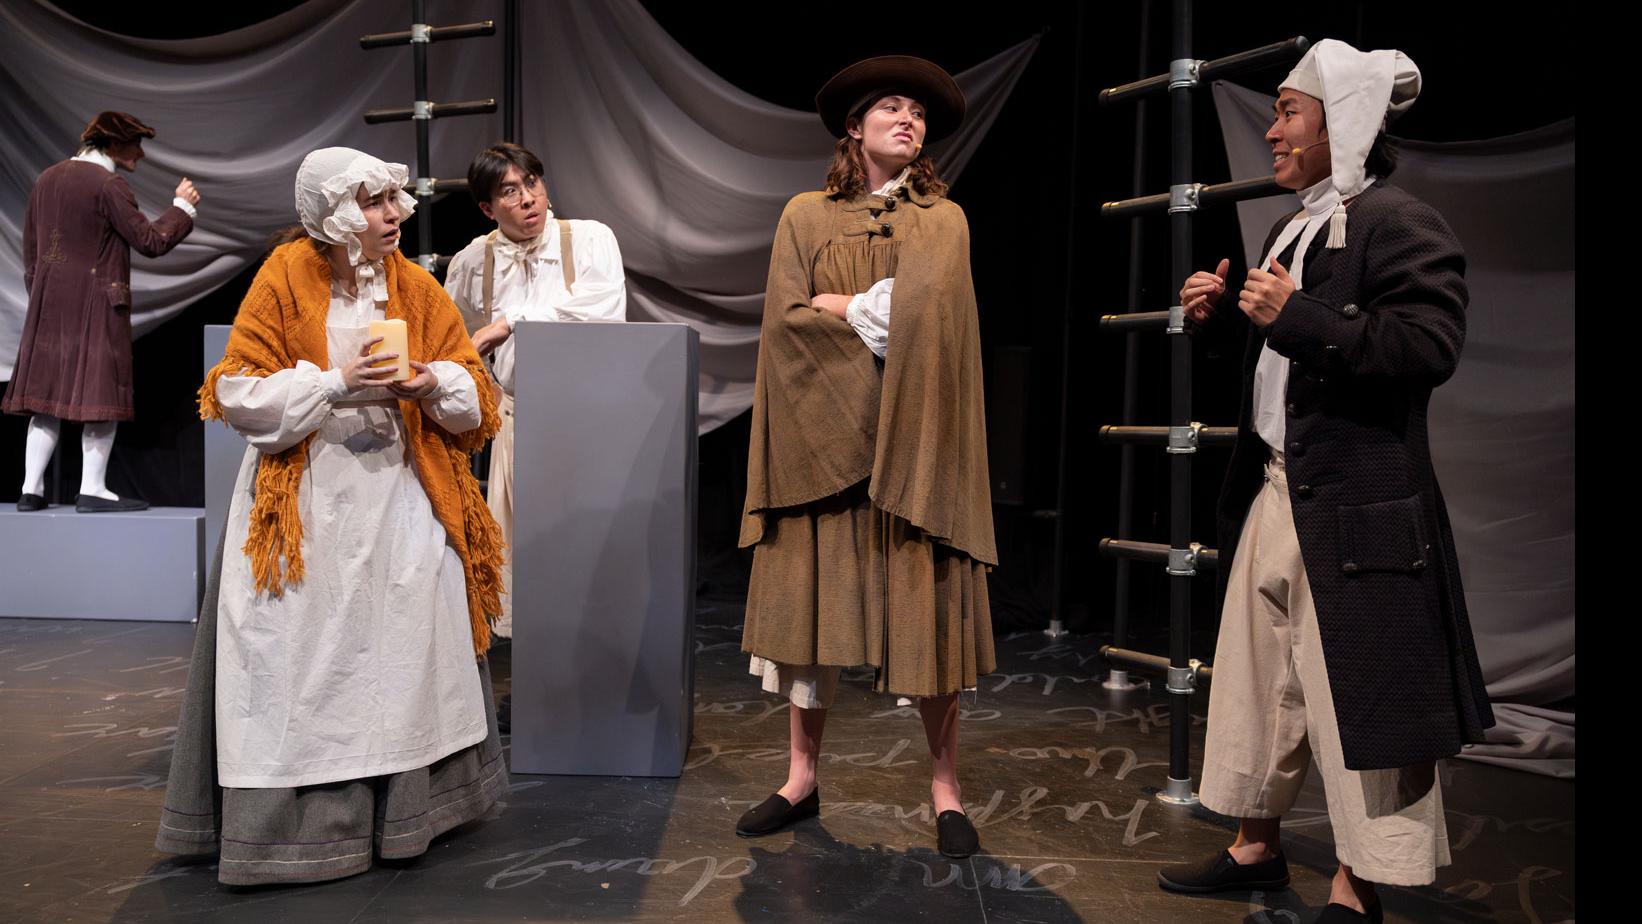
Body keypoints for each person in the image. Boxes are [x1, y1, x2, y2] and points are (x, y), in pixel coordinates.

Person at [1155, 40, 1494, 923]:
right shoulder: (1291, 224)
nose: (1271, 130)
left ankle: (1359, 882)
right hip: (1280, 487)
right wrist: (1223, 319)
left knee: (1360, 700)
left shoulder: (1401, 222)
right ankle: (1255, 846)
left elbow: (1429, 347)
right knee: (1259, 676)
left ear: (1338, 123)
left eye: (1286, 113)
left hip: (1361, 505)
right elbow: (1286, 367)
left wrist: (1297, 314)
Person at [154, 147, 507, 886]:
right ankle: (304, 831)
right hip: (308, 497)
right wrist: (335, 382)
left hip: (401, 496)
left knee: (404, 647)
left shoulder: (414, 283)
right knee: (305, 656)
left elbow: (476, 396)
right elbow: (237, 392)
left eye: (391, 200)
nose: (392, 215)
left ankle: (408, 812)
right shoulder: (286, 276)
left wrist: (426, 380)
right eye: (374, 203)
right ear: (335, 213)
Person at [735, 55, 997, 859]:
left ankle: (946, 789)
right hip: (825, 444)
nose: (907, 120)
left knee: (929, 619)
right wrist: (882, 323)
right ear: (855, 126)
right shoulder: (805, 216)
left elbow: (937, 319)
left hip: (919, 443)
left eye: (916, 112)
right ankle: (800, 777)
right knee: (810, 617)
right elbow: (784, 328)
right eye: (890, 107)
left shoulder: (941, 222)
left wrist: (847, 304)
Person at [443, 141, 627, 647]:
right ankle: (536, 689)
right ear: (487, 208)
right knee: (526, 558)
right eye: (510, 191)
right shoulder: (473, 262)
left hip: (586, 420)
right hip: (520, 422)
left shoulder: (589, 240)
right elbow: (458, 337)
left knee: (587, 551)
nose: (527, 198)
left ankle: (591, 681)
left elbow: (601, 310)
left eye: (532, 184)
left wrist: (511, 323)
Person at [5, 111, 199, 512]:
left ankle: (30, 489)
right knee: (102, 394)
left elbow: (31, 254)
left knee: (45, 398)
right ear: (112, 144)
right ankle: (92, 488)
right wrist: (182, 208)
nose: (141, 154)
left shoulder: (46, 179)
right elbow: (150, 240)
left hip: (50, 307)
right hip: (98, 306)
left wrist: (44, 295)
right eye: (135, 145)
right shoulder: (109, 185)